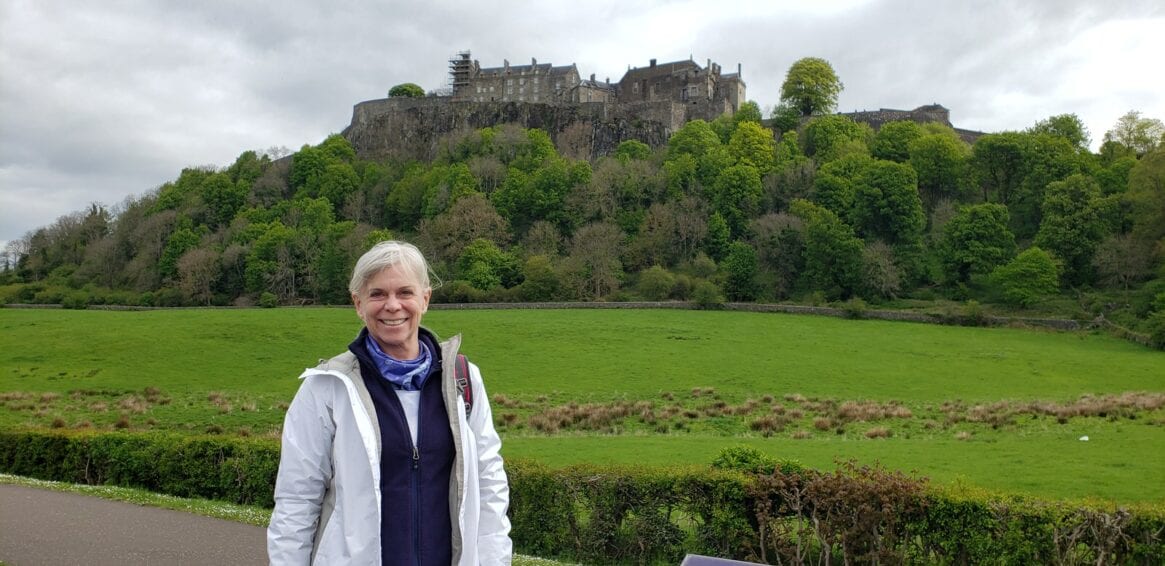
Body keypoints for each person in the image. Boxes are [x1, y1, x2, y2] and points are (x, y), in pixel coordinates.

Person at [268, 240, 512, 565]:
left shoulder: (463, 380)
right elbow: (296, 500)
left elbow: (489, 485)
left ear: (425, 299)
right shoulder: (326, 388)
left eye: (405, 293)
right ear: (358, 304)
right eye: (377, 294)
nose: (392, 305)